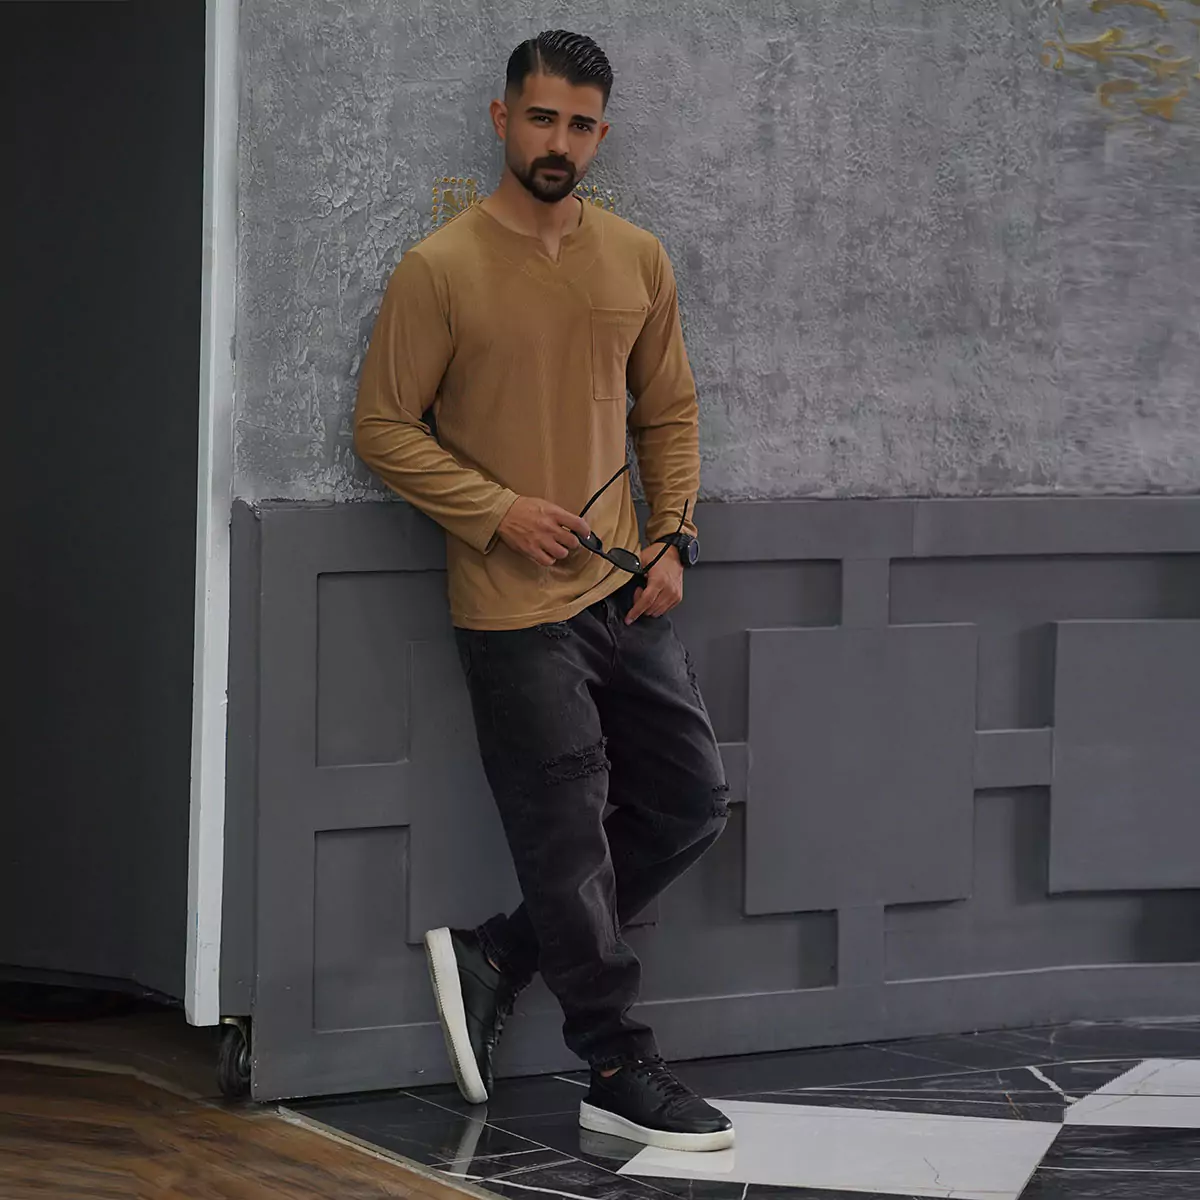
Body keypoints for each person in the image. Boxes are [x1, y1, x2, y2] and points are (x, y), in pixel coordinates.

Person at [353, 30, 732, 1153]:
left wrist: (672, 541)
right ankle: (614, 1061)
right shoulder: (440, 269)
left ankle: (502, 952)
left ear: (600, 134)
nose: (558, 141)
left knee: (691, 804)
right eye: (540, 119)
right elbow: (382, 427)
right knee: (565, 841)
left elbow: (670, 412)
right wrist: (497, 511)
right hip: (511, 610)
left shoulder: (637, 258)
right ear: (502, 120)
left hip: (629, 598)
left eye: (579, 125)